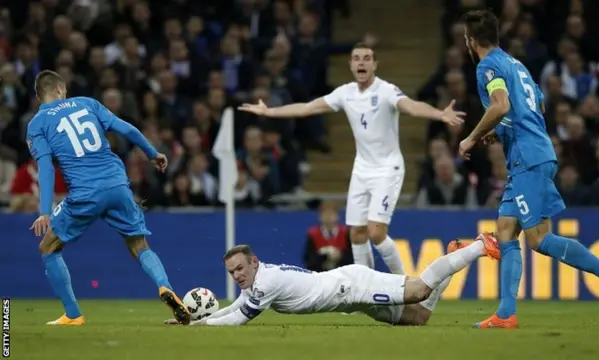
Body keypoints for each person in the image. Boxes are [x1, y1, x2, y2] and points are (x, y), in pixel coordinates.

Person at [457, 10, 599, 329]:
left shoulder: (488, 66)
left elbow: (500, 105)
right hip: (532, 151)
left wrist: (471, 137)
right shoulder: (515, 64)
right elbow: (536, 105)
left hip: (528, 158)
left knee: (539, 239)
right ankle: (506, 314)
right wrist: (502, 130)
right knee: (507, 229)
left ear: (471, 41)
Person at [238, 43, 465, 277]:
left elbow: (411, 106)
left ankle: (405, 284)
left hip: (388, 167)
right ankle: (366, 291)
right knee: (356, 234)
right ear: (351, 65)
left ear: (375, 64)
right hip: (362, 169)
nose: (361, 62)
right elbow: (307, 108)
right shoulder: (345, 93)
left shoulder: (386, 90)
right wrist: (270, 112)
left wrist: (439, 114)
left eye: (367, 58)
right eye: (356, 58)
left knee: (376, 233)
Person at [26, 70, 190, 326]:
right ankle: (164, 286)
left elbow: (45, 167)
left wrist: (44, 210)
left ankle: (73, 315)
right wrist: (152, 153)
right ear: (60, 89)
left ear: (41, 95)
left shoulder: (37, 124)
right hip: (117, 184)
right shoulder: (87, 103)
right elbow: (127, 128)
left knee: (48, 247)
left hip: (84, 193)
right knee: (139, 245)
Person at [165, 235, 500, 326]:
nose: (237, 276)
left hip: (352, 285)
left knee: (419, 290)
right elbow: (233, 308)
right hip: (350, 301)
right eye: (231, 272)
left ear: (253, 262)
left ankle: (477, 247)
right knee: (420, 317)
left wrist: (198, 328)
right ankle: (456, 254)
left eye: (240, 268)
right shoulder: (257, 281)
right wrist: (200, 319)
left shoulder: (265, 282)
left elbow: (239, 319)